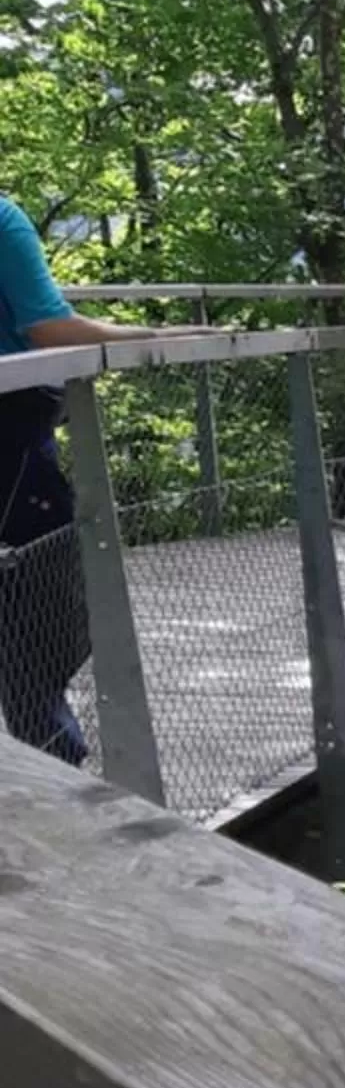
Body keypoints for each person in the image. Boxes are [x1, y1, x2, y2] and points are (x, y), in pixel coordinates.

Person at [0, 197, 147, 763]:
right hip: (12, 429)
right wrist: (155, 336)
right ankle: (54, 772)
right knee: (42, 613)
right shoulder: (2, 219)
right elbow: (49, 327)